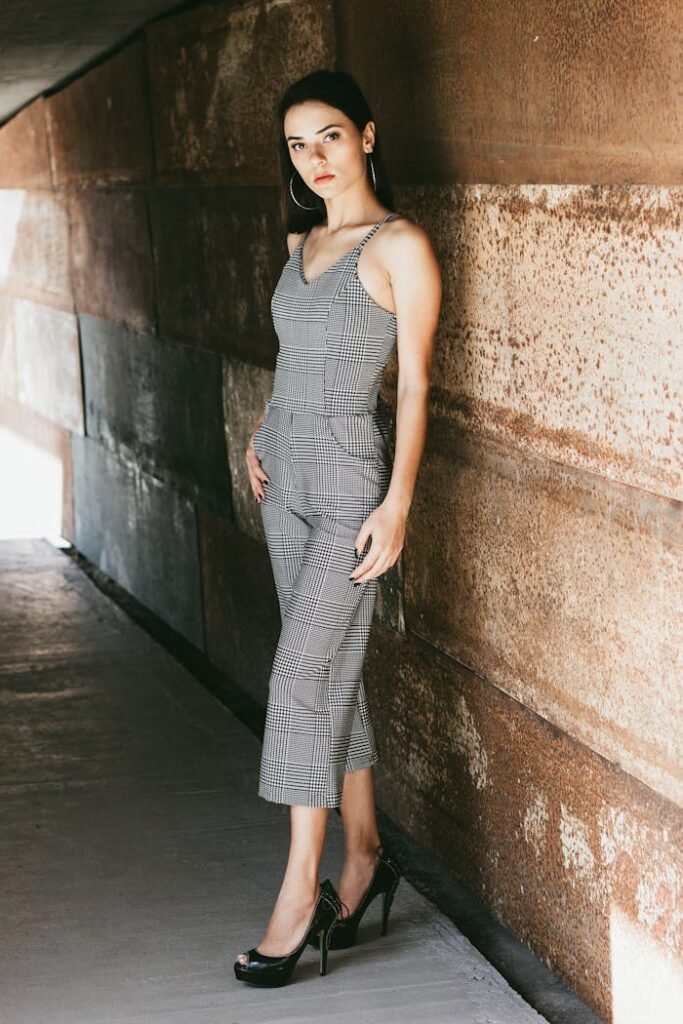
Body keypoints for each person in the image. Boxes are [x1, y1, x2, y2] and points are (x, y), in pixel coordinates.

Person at [235, 69, 442, 987]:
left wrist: (396, 503)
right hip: (284, 480)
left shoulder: (399, 246)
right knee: (334, 679)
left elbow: (418, 387)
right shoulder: (303, 239)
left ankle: (298, 894)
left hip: (354, 490)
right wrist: (261, 429)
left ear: (366, 134)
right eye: (295, 145)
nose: (312, 158)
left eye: (327, 137)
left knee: (298, 681)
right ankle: (363, 855)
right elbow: (298, 356)